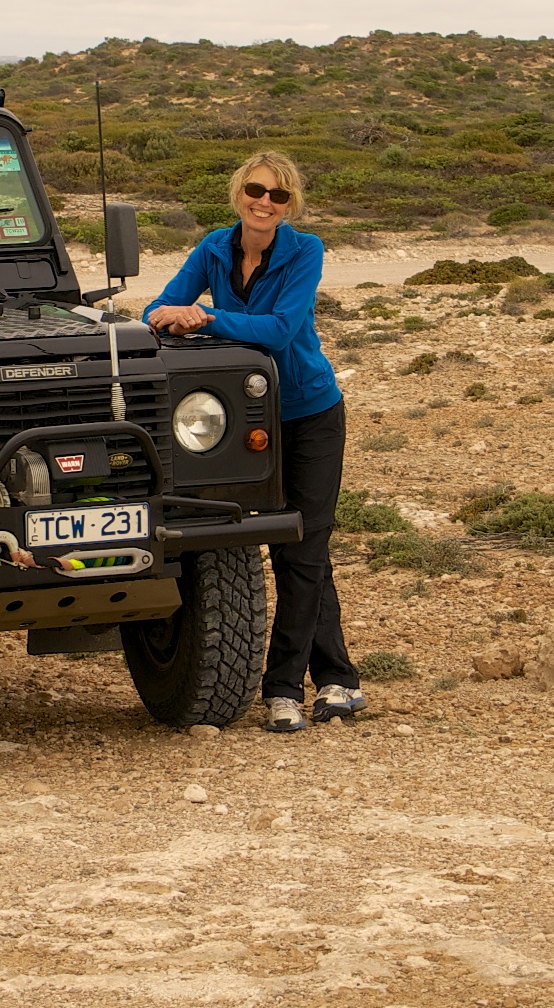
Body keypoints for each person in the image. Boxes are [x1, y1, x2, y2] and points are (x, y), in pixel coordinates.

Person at [142, 151, 360, 733]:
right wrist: (170, 315)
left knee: (302, 547)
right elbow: (157, 309)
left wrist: (207, 318)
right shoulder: (214, 248)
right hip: (245, 419)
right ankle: (338, 677)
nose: (265, 202)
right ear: (239, 193)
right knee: (298, 549)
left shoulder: (304, 251)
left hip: (309, 413)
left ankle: (283, 689)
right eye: (257, 190)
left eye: (279, 195)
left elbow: (281, 329)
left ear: (291, 205)